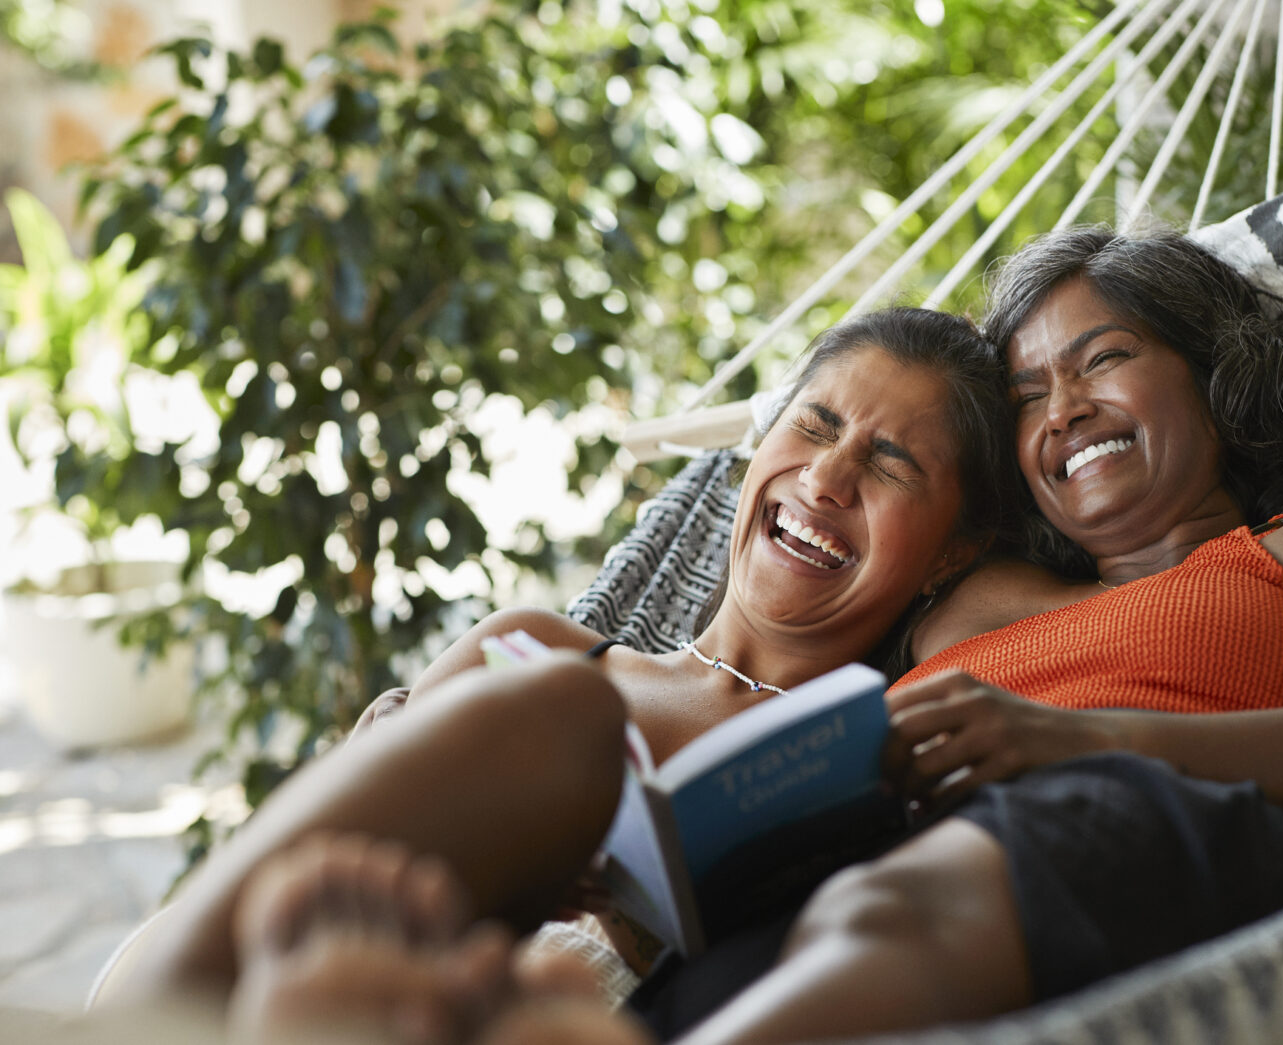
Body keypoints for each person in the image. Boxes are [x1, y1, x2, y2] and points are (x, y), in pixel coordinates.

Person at [618, 226, 1283, 1045]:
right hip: (874, 900)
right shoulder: (960, 601)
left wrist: (1077, 740)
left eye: (1103, 360)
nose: (1063, 411)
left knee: (911, 900)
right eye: (1028, 397)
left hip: (1160, 857)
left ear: (1216, 374)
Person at [90, 305, 1023, 1038]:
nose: (828, 477)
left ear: (955, 554)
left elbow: (1131, 592)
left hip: (547, 1012)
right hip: (253, 982)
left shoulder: (864, 746)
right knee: (551, 707)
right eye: (814, 425)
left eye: (891, 465)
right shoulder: (539, 643)